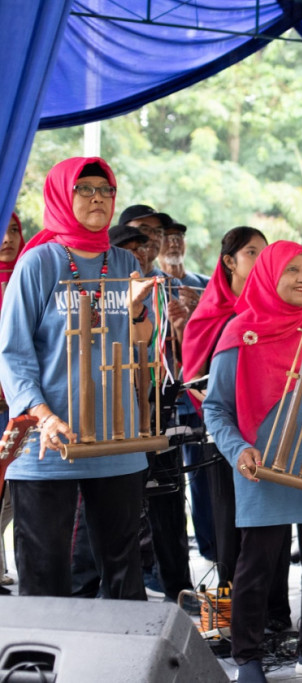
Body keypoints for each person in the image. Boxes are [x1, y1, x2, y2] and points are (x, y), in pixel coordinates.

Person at [203, 241, 302, 683]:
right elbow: (215, 408)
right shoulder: (240, 332)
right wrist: (238, 450)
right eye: (291, 269)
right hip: (263, 467)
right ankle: (247, 659)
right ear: (268, 275)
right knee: (256, 567)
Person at [0, 156, 155, 599]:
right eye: (84, 189)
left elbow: (142, 341)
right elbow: (13, 353)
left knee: (124, 574)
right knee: (44, 575)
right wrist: (44, 416)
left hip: (116, 439)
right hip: (48, 442)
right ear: (60, 196)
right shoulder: (38, 263)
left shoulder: (124, 262)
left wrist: (137, 309)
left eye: (105, 190)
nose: (97, 198)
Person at [180, 227, 293, 628]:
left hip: (269, 436)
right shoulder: (210, 314)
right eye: (251, 252)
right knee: (229, 531)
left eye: (265, 253)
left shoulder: (275, 310)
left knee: (275, 528)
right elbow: (194, 379)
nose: (261, 260)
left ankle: (277, 618)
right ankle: (230, 624)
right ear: (229, 261)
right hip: (225, 440)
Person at [0, 211, 26, 589]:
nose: (7, 239)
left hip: (21, 406)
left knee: (16, 490)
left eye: (14, 230)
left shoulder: (29, 279)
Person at [119, 204, 172, 278]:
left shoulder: (170, 282)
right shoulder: (105, 279)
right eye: (144, 229)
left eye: (159, 231)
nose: (154, 237)